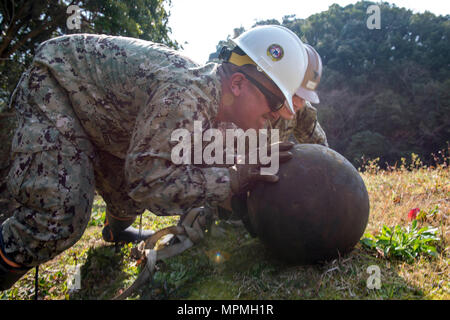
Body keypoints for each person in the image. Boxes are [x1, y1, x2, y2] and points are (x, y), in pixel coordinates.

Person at [0, 25, 327, 290]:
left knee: (126, 199)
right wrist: (234, 178)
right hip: (58, 84)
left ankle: (116, 231)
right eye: (274, 105)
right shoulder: (186, 94)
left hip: (107, 117)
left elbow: (192, 161)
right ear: (239, 83)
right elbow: (150, 181)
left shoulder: (220, 100)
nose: (278, 116)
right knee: (59, 218)